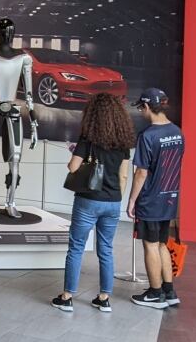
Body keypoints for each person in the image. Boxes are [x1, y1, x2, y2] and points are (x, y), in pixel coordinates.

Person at [52, 93, 135, 313]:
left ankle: (67, 296)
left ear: (92, 115)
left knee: (76, 248)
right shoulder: (123, 144)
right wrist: (116, 196)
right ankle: (104, 298)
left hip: (88, 201)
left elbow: (72, 167)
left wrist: (76, 153)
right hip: (112, 202)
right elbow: (124, 176)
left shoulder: (87, 139)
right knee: (106, 249)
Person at [127, 88, 185, 309]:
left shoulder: (148, 136)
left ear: (147, 107)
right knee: (161, 244)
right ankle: (169, 292)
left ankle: (154, 293)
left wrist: (132, 201)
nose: (141, 112)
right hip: (170, 198)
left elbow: (141, 172)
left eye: (141, 108)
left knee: (150, 246)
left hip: (151, 200)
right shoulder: (178, 132)